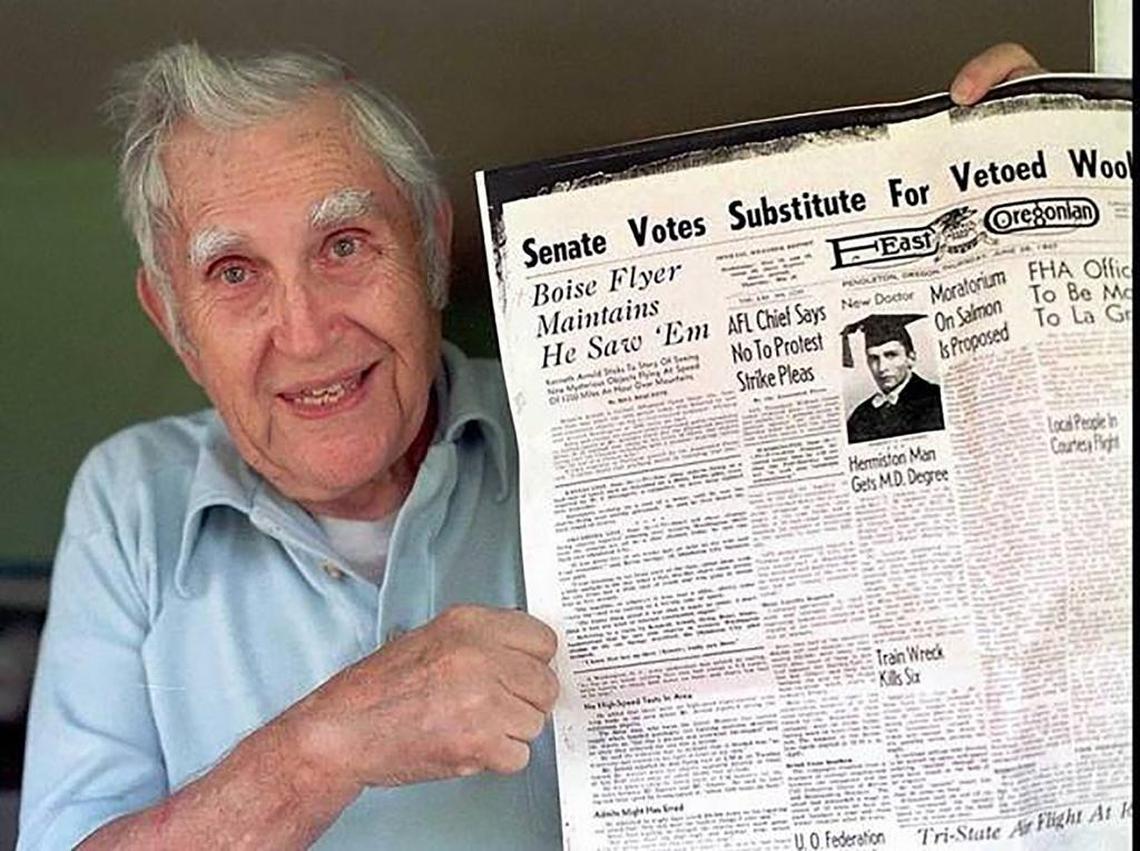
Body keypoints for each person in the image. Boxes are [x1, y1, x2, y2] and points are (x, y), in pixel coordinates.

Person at [18, 41, 1043, 850]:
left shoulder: (595, 418)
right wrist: (325, 746)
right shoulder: (131, 500)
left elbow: (934, 533)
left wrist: (1037, 206)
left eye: (344, 244)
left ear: (426, 245)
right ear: (172, 318)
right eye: (235, 273)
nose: (307, 330)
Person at [843, 313, 944, 443]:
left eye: (891, 355)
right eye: (874, 358)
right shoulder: (861, 415)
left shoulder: (936, 401)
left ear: (911, 358)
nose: (881, 367)